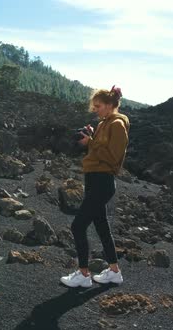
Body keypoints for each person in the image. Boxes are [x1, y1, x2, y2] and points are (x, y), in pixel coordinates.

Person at [60, 85, 130, 288]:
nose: (95, 110)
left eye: (98, 106)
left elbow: (114, 157)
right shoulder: (104, 123)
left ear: (109, 105)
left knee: (78, 225)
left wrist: (91, 142)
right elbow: (100, 148)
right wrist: (92, 137)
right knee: (101, 226)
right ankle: (114, 272)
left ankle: (83, 275)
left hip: (102, 181)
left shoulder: (117, 124)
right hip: (94, 179)